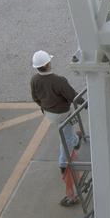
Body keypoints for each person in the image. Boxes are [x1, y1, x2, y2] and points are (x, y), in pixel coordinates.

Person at [30, 50, 81, 206]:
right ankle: (63, 163)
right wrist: (86, 104)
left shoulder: (34, 80)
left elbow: (35, 98)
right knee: (65, 138)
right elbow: (73, 96)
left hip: (49, 113)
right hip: (62, 113)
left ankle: (75, 139)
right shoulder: (59, 81)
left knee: (67, 133)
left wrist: (45, 107)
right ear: (48, 64)